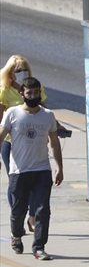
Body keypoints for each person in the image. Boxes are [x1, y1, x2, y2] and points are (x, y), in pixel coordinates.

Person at [0, 77, 63, 260]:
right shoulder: (12, 113)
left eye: (36, 92)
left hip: (42, 170)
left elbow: (54, 143)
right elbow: (1, 136)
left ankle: (39, 247)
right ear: (22, 94)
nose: (33, 96)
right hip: (19, 171)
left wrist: (59, 167)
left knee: (43, 210)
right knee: (19, 210)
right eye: (29, 93)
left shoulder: (48, 115)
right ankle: (16, 235)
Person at [1, 55, 46, 213]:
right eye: (18, 71)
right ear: (10, 73)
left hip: (34, 141)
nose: (21, 73)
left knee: (35, 181)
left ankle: (33, 216)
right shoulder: (4, 91)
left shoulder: (34, 88)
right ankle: (17, 216)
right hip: (11, 143)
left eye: (24, 70)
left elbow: (45, 110)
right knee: (16, 183)